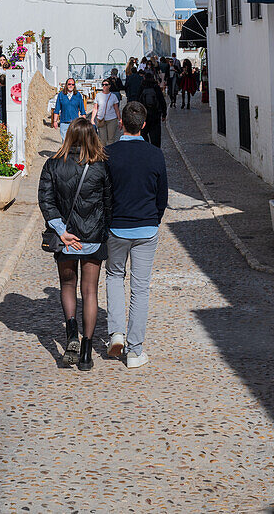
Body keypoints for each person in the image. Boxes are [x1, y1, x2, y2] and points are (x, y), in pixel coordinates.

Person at [38, 118, 113, 372]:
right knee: (90, 291)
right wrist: (104, 231)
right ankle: (85, 354)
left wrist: (62, 231)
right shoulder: (101, 167)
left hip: (65, 239)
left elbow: (45, 200)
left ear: (68, 135)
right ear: (92, 137)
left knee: (67, 285)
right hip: (92, 239)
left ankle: (71, 332)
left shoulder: (52, 164)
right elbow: (108, 204)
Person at [105, 101, 168, 370]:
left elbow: (103, 192)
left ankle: (116, 332)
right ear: (143, 124)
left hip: (116, 227)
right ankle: (135, 351)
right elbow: (162, 196)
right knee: (140, 288)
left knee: (114, 276)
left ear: (122, 123)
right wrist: (154, 219)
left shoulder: (108, 153)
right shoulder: (156, 155)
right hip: (146, 227)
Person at [139, 72, 166, 147]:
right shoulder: (155, 87)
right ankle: (156, 152)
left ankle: (146, 149)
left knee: (143, 134)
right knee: (155, 137)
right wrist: (164, 113)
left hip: (144, 115)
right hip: (155, 114)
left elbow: (138, 100)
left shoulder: (142, 87)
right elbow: (161, 100)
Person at [91, 79, 121, 147]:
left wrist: (120, 120)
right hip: (101, 119)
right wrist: (92, 119)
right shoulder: (98, 95)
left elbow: (117, 110)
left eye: (106, 84)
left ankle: (111, 154)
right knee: (102, 140)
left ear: (109, 86)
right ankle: (103, 154)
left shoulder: (113, 96)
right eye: (103, 85)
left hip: (111, 119)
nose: (104, 86)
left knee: (111, 139)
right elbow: (95, 108)